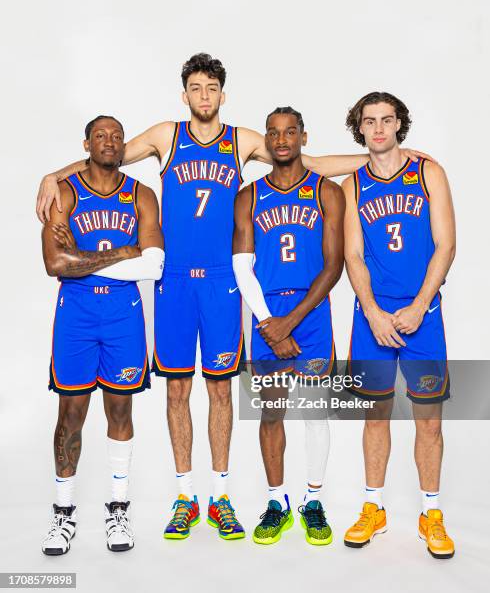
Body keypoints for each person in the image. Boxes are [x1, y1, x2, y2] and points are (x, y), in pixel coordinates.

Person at [36, 54, 426, 541]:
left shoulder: (241, 139)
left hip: (223, 280)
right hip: (174, 279)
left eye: (212, 88)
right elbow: (105, 157)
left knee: (221, 388)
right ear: (185, 95)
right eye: (196, 88)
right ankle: (184, 496)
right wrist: (52, 175)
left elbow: (311, 162)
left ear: (223, 94)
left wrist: (393, 158)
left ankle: (220, 496)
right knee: (178, 389)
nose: (204, 96)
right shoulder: (165, 134)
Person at [41, 116, 163, 554]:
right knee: (70, 416)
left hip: (122, 316)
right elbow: (55, 264)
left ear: (123, 144)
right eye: (100, 136)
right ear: (86, 143)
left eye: (116, 137)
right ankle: (63, 514)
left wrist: (84, 255)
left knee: (120, 412)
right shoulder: (66, 191)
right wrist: (125, 251)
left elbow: (154, 265)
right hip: (75, 315)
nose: (108, 142)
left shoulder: (141, 195)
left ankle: (117, 510)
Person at [341, 92, 456, 559]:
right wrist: (370, 309)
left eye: (387, 120)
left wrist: (417, 306)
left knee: (428, 418)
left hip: (421, 316)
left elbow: (445, 246)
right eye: (370, 122)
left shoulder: (429, 172)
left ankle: (431, 513)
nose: (380, 128)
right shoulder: (352, 185)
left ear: (399, 124)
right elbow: (352, 254)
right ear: (361, 129)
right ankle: (374, 508)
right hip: (373, 317)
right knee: (375, 414)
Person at [233, 107, 345, 545]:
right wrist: (268, 323)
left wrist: (290, 324)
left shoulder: (326, 191)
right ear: (267, 138)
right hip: (266, 315)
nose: (282, 140)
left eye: (290, 132)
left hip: (311, 314)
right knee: (272, 409)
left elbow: (334, 266)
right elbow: (243, 266)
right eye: (274, 133)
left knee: (316, 412)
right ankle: (276, 501)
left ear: (303, 137)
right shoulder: (249, 196)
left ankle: (312, 502)